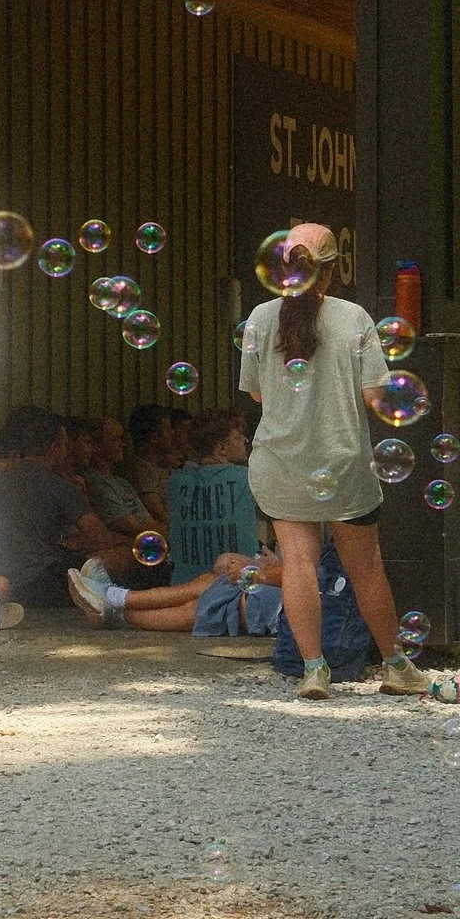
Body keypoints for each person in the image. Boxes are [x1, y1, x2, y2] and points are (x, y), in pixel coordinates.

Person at [235, 230, 427, 700]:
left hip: (280, 461)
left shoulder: (260, 318)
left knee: (298, 563)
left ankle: (314, 669)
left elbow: (257, 393)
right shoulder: (355, 317)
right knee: (366, 569)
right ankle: (396, 666)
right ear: (333, 267)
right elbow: (372, 396)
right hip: (343, 463)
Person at [0, 406, 116, 608]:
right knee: (123, 555)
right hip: (46, 582)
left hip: (2, 573)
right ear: (55, 448)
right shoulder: (58, 484)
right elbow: (101, 538)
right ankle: (103, 599)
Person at [70, 541, 279, 633]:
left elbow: (302, 573)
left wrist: (261, 574)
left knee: (209, 598)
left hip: (287, 605)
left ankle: (112, 599)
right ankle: (115, 600)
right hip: (290, 590)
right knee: (217, 577)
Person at [162, 409, 264, 579]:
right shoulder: (247, 477)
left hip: (183, 584)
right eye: (238, 437)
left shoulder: (176, 480)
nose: (246, 440)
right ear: (222, 448)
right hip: (237, 584)